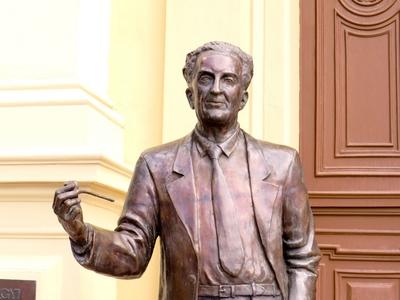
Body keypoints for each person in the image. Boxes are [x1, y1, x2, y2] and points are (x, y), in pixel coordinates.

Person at [53, 41, 320, 300]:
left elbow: (302, 258)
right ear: (191, 96)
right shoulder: (156, 165)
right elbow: (133, 253)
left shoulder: (282, 164)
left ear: (243, 98)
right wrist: (80, 232)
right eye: (206, 78)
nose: (216, 89)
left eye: (228, 80)